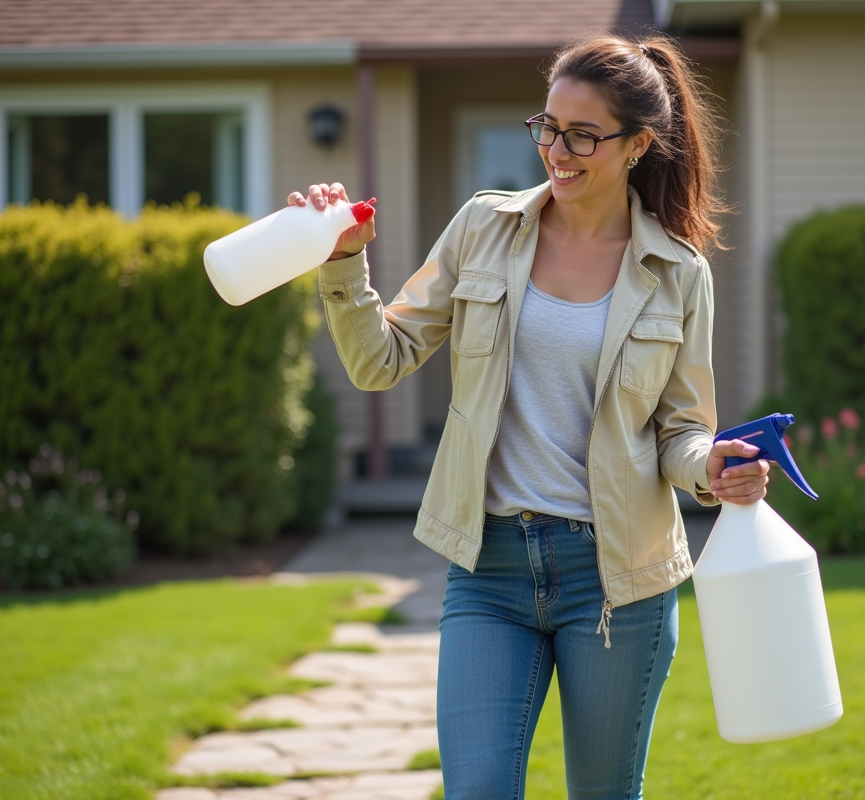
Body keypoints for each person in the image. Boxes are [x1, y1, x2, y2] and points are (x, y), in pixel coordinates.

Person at [289, 32, 770, 800]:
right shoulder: (485, 227)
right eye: (548, 126)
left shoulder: (679, 274)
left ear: (638, 144)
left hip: (617, 582)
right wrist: (345, 262)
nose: (558, 149)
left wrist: (710, 467)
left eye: (583, 134)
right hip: (489, 569)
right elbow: (381, 359)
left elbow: (681, 431)